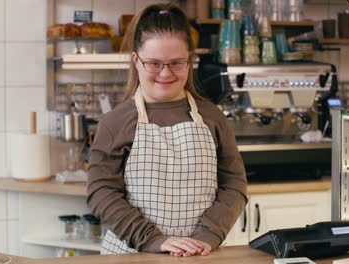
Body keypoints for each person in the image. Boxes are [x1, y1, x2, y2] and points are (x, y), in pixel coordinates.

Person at [87, 3, 247, 257]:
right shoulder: (115, 122)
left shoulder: (212, 117)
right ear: (136, 60)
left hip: (199, 254)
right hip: (131, 255)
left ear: (189, 60)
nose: (165, 73)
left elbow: (234, 186)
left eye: (176, 63)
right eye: (154, 63)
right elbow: (101, 193)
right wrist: (152, 239)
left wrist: (209, 234)